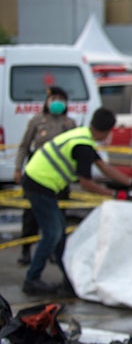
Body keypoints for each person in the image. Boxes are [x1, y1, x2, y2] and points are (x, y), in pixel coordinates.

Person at [21, 107, 132, 296]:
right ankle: (32, 279)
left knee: (60, 235)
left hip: (42, 183)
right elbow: (86, 183)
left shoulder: (83, 136)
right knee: (53, 234)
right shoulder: (82, 145)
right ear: (106, 131)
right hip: (39, 184)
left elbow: (103, 166)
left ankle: (68, 279)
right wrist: (115, 195)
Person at [13, 86, 77, 266]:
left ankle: (54, 251)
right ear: (47, 102)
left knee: (59, 216)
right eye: (53, 99)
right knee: (31, 215)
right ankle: (26, 250)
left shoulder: (69, 123)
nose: (56, 103)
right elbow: (24, 146)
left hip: (59, 177)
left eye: (60, 99)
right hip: (38, 174)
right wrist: (18, 168)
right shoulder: (37, 121)